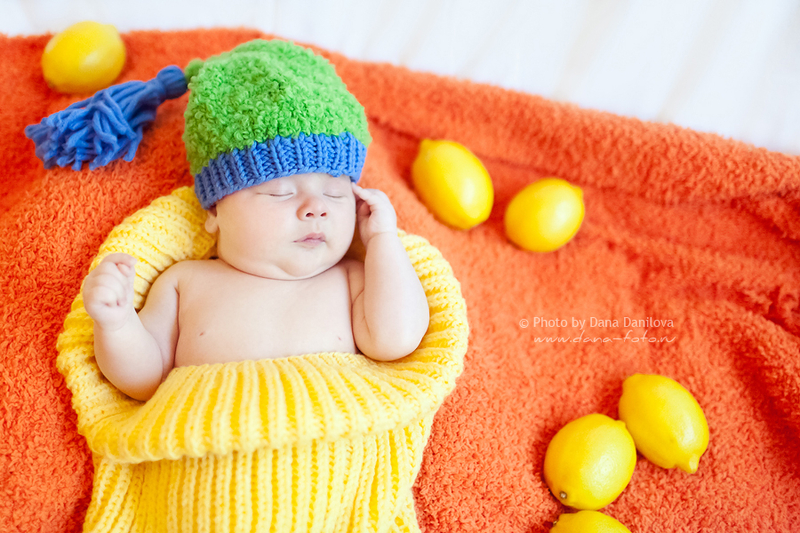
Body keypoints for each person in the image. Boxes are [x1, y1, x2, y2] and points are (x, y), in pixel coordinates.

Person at [76, 39, 429, 402]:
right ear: (215, 211)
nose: (316, 208)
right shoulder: (186, 283)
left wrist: (383, 241)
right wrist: (116, 324)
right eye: (281, 192)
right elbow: (144, 381)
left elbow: (396, 339)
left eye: (335, 194)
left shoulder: (352, 280)